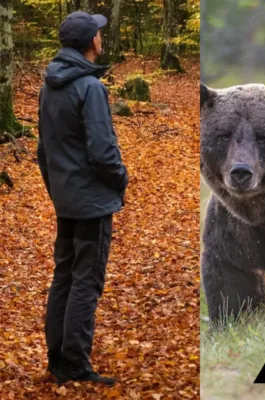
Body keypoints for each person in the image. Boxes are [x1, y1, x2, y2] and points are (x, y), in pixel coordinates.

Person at [37, 11, 128, 386]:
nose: (101, 38)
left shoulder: (50, 84)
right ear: (91, 42)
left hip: (66, 198)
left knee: (64, 277)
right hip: (90, 201)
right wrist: (119, 181)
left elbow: (44, 150)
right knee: (85, 281)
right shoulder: (89, 87)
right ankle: (74, 363)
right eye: (99, 34)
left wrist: (56, 189)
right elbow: (104, 152)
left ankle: (58, 359)